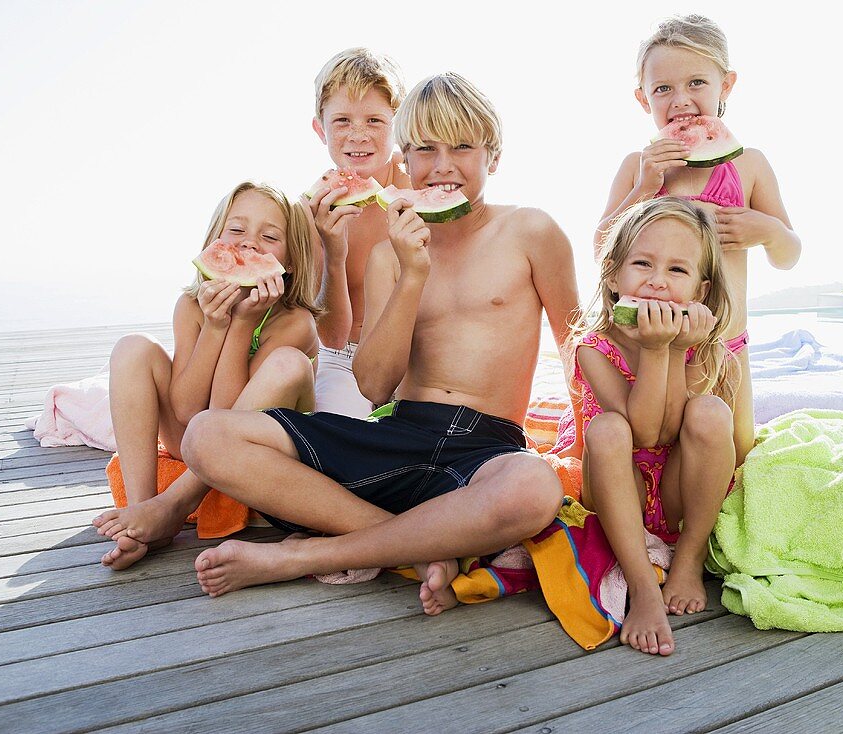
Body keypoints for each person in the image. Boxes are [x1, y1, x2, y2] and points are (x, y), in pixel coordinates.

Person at [96, 71, 580, 612]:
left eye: (462, 146)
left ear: (493, 156)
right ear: (406, 158)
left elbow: (574, 345)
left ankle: (298, 557)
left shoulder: (532, 231)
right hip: (397, 432)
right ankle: (423, 544)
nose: (442, 165)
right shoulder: (386, 257)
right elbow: (375, 389)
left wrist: (586, 447)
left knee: (535, 489)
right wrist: (411, 274)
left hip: (485, 444)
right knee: (208, 437)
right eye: (425, 148)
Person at [594, 14, 802, 464]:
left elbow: (789, 255)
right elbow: (601, 249)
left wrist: (766, 231)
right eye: (663, 89)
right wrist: (644, 188)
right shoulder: (638, 165)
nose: (681, 101)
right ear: (642, 98)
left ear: (725, 85)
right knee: (650, 452)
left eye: (696, 83)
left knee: (735, 456)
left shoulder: (749, 164)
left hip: (723, 345)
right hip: (648, 341)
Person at [94, 181, 319, 569]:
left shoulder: (294, 322)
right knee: (132, 347)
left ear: (291, 262)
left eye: (269, 236)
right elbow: (185, 409)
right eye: (236, 230)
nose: (249, 244)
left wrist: (241, 325)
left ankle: (172, 505)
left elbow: (224, 419)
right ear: (213, 241)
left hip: (250, 449)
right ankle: (143, 513)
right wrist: (215, 327)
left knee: (288, 363)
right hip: (192, 437)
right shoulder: (192, 305)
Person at [576, 196, 741, 655]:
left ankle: (687, 558)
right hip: (614, 487)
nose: (657, 283)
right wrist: (659, 350)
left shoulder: (704, 348)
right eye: (643, 263)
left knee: (711, 412)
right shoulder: (594, 348)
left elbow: (671, 435)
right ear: (613, 274)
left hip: (674, 490)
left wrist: (675, 348)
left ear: (701, 291)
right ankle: (642, 586)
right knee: (609, 428)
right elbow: (644, 434)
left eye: (677, 271)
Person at [304, 47, 411, 418]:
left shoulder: (422, 183)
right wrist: (334, 254)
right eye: (342, 121)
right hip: (343, 357)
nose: (358, 136)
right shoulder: (313, 209)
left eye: (374, 121)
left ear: (398, 123)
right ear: (320, 129)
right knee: (342, 441)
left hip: (417, 353)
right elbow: (331, 336)